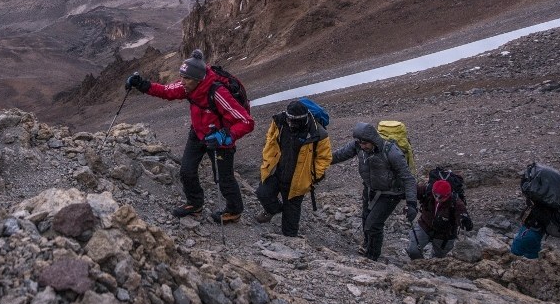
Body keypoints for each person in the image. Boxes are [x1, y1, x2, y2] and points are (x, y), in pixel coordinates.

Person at [126, 49, 254, 223]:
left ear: (198, 80)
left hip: (219, 139)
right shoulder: (189, 86)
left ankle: (234, 210)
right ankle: (195, 203)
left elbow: (246, 122)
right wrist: (141, 84)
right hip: (198, 132)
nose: (182, 82)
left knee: (224, 178)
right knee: (186, 170)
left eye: (186, 78)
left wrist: (227, 136)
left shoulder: (218, 93)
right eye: (182, 77)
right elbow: (166, 91)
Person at [331, 122, 417, 261]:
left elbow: (408, 178)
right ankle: (367, 246)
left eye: (365, 143)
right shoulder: (358, 146)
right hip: (370, 189)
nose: (362, 146)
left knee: (373, 225)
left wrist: (412, 203)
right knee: (366, 221)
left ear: (373, 140)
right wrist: (319, 160)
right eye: (360, 143)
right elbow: (339, 155)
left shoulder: (392, 152)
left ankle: (372, 258)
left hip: (391, 193)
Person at [256, 100, 331, 236]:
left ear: (304, 118)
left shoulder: (317, 133)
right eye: (289, 119)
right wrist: (267, 160)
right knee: (263, 193)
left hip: (299, 179)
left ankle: (290, 242)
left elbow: (324, 158)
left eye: (294, 121)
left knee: (291, 222)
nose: (291, 123)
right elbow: (270, 139)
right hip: (276, 171)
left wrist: (312, 177)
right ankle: (274, 210)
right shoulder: (279, 121)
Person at [406, 178, 472, 259]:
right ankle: (419, 266)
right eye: (435, 195)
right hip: (424, 226)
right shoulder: (427, 191)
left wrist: (464, 221)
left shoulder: (456, 203)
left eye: (441, 197)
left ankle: (429, 267)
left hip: (445, 235)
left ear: (448, 195)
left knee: (439, 260)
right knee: (413, 251)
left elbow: (462, 215)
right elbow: (411, 189)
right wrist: (410, 205)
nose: (437, 199)